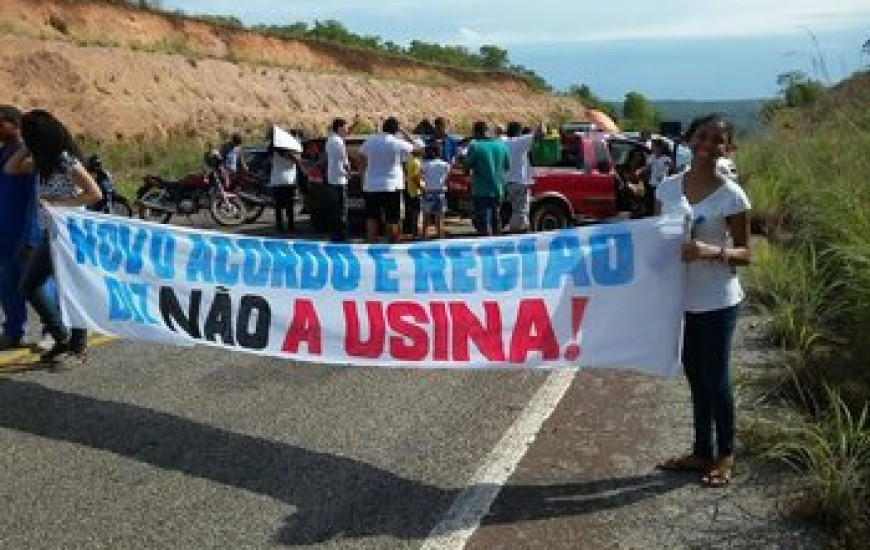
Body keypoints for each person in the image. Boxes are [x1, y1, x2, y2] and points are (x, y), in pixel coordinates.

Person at [654, 113, 751, 487]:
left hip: (717, 300)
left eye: (717, 140)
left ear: (727, 148)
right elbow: (655, 236)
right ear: (690, 139)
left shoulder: (732, 194)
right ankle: (700, 451)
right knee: (695, 377)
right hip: (681, 299)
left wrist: (709, 250)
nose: (708, 144)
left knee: (716, 378)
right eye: (702, 136)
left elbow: (745, 253)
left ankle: (725, 453)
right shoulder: (668, 188)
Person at [3, 109, 103, 365]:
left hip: (72, 233)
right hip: (51, 233)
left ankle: (77, 346)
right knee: (29, 285)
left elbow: (94, 193)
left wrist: (61, 204)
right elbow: (11, 168)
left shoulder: (65, 160)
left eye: (28, 133)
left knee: (72, 289)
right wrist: (28, 148)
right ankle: (62, 337)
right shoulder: (42, 161)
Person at [0, 105, 40, 350]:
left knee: (38, 286)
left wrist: (32, 236)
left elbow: (35, 201)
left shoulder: (29, 157)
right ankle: (15, 330)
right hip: (3, 235)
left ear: (14, 125)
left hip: (23, 234)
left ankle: (53, 330)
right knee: (7, 286)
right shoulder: (3, 154)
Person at [359, 117, 421, 243]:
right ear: (396, 129)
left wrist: (362, 178)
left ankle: (371, 244)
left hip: (371, 185)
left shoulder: (370, 141)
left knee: (372, 218)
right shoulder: (397, 142)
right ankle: (391, 246)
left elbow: (361, 158)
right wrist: (404, 133)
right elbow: (418, 149)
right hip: (392, 186)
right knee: (392, 219)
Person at [463, 121, 509, 236]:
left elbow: (466, 168)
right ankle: (498, 247)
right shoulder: (502, 145)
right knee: (496, 219)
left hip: (481, 190)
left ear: (476, 132)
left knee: (484, 222)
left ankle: (486, 249)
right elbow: (507, 166)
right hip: (498, 189)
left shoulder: (475, 146)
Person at [324, 116, 357, 242]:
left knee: (334, 209)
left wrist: (353, 126)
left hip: (332, 177)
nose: (346, 129)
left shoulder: (330, 140)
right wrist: (349, 173)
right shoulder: (339, 142)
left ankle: (335, 235)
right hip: (340, 179)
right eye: (345, 127)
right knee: (342, 209)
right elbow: (344, 160)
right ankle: (342, 236)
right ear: (339, 128)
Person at [503, 121, 538, 232]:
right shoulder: (520, 141)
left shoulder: (502, 142)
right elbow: (539, 135)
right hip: (519, 183)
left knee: (508, 210)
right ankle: (517, 236)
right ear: (519, 132)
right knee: (520, 212)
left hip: (505, 183)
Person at [268, 129, 301, 234]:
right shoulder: (289, 152)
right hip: (288, 181)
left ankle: (279, 226)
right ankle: (290, 226)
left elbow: (270, 162)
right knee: (289, 205)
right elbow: (297, 161)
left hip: (276, 180)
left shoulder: (272, 150)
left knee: (278, 206)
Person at [420, 143, 451, 240]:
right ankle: (440, 237)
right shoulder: (445, 164)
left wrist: (422, 187)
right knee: (439, 218)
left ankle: (424, 237)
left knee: (426, 217)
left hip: (428, 192)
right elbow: (448, 177)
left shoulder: (424, 164)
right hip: (440, 192)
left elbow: (421, 177)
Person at [402, 148, 424, 239]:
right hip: (415, 190)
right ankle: (415, 232)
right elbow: (415, 177)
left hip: (408, 188)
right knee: (416, 212)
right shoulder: (416, 162)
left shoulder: (409, 161)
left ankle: (408, 230)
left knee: (409, 210)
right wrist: (421, 187)